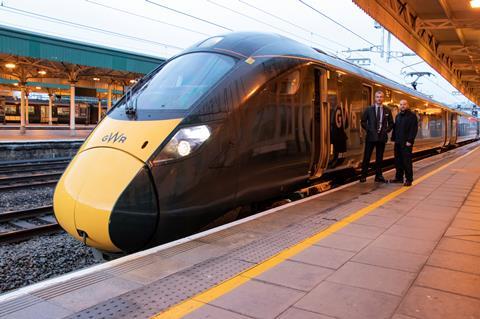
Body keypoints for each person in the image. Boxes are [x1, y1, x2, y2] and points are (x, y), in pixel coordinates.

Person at [360, 90, 394, 183]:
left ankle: (378, 176)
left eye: (381, 97)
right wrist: (369, 129)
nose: (379, 98)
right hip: (371, 137)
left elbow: (391, 123)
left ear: (383, 98)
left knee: (379, 158)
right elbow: (363, 121)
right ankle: (363, 176)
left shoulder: (387, 110)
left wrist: (386, 131)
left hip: (381, 137)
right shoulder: (369, 109)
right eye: (377, 97)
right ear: (375, 98)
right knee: (367, 157)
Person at [390, 99, 418, 187]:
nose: (402, 106)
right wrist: (393, 139)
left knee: (406, 161)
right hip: (398, 142)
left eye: (404, 104)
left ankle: (409, 179)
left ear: (407, 105)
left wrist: (410, 141)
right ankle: (399, 178)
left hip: (406, 143)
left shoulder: (412, 116)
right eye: (401, 104)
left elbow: (413, 129)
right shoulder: (398, 116)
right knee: (398, 161)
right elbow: (395, 128)